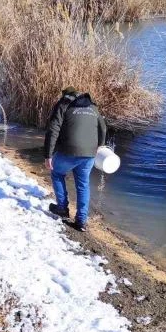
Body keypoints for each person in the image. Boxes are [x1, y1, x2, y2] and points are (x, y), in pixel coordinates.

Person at [44, 87, 107, 232]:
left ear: (66, 95)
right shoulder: (92, 106)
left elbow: (53, 129)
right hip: (89, 153)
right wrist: (99, 145)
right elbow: (103, 129)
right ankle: (81, 221)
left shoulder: (64, 104)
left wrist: (48, 155)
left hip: (69, 150)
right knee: (83, 184)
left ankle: (62, 208)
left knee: (57, 173)